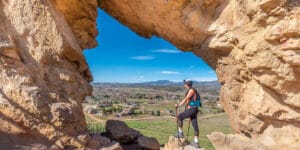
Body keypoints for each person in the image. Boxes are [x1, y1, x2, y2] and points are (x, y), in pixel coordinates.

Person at [175, 80, 201, 148]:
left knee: (179, 116)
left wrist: (178, 105)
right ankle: (196, 142)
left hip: (192, 109)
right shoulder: (193, 90)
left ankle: (180, 133)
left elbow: (186, 99)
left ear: (187, 84)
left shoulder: (191, 90)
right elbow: (190, 101)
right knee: (195, 125)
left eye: (185, 83)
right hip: (194, 109)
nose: (184, 84)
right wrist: (186, 108)